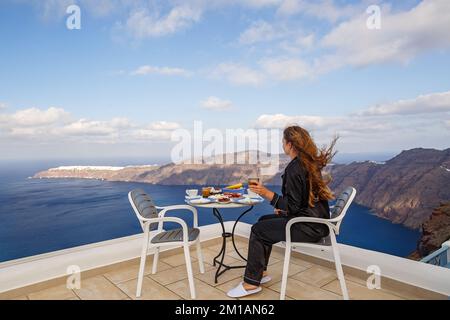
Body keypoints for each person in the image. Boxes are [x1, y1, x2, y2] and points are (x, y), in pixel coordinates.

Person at [227, 125, 338, 298]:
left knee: (258, 230)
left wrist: (266, 194)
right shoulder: (307, 164)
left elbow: (293, 206)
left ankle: (250, 284)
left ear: (290, 144)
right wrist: (283, 209)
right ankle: (260, 273)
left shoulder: (295, 168)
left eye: (283, 141)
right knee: (263, 220)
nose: (282, 144)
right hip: (317, 223)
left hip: (308, 226)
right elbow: (300, 202)